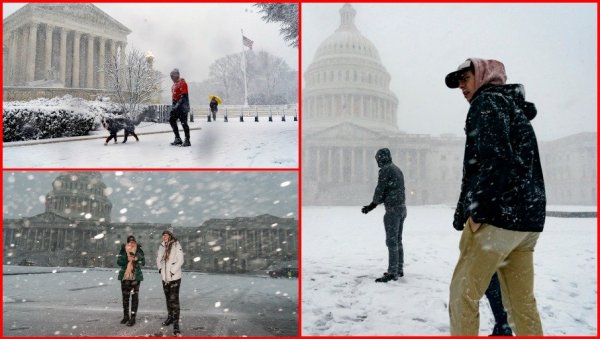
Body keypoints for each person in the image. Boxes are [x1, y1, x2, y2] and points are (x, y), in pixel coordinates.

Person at [445, 58, 546, 336]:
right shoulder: (514, 108)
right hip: (526, 224)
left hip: (498, 223)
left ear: (483, 77)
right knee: (521, 304)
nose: (462, 87)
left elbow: (494, 161)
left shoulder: (486, 103)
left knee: (462, 296)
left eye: (465, 78)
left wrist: (479, 213)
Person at [361, 148, 407, 283]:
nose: (377, 163)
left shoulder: (386, 170)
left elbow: (380, 189)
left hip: (393, 210)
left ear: (383, 158)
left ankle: (393, 272)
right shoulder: (397, 169)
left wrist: (372, 205)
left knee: (391, 241)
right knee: (397, 240)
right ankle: (398, 268)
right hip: (402, 208)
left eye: (378, 160)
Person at [157, 230, 184, 336]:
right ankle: (170, 318)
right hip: (165, 278)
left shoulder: (176, 244)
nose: (164, 237)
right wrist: (160, 268)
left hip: (174, 277)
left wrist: (172, 271)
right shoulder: (162, 246)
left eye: (166, 235)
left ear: (170, 236)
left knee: (174, 301)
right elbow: (159, 258)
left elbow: (180, 260)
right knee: (168, 299)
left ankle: (176, 324)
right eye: (163, 235)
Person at [117, 235, 145, 326]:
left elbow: (143, 262)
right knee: (125, 298)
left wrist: (137, 259)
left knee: (134, 298)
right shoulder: (123, 250)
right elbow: (119, 262)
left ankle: (133, 318)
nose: (132, 243)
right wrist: (127, 259)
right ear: (127, 242)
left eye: (133, 242)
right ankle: (126, 316)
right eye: (130, 242)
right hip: (125, 277)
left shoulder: (139, 250)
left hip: (135, 277)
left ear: (135, 242)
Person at [169, 68, 191, 147]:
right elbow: (174, 98)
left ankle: (187, 140)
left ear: (177, 75)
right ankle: (178, 139)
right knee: (171, 120)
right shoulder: (173, 85)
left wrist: (177, 106)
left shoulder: (182, 83)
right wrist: (173, 107)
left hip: (183, 107)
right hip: (176, 107)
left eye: (173, 76)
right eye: (171, 76)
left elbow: (183, 96)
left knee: (184, 123)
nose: (171, 78)